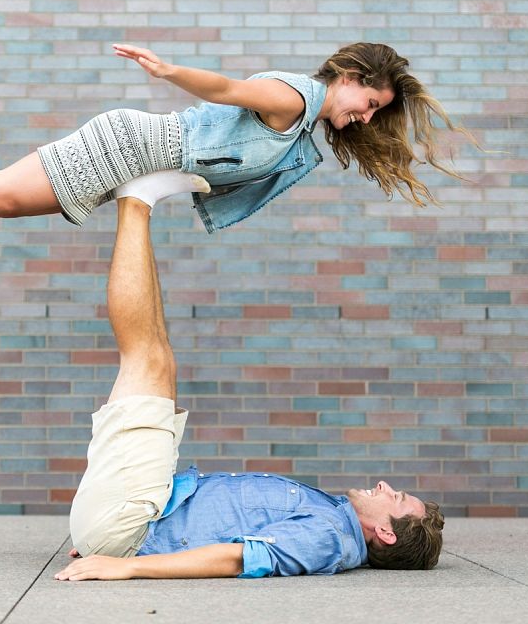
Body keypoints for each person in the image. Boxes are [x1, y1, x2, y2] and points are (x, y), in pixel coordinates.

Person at [0, 42, 471, 286]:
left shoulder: (306, 133)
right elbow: (226, 89)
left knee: (1, 197)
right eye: (368, 103)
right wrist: (172, 71)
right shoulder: (296, 96)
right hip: (131, 146)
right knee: (0, 195)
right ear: (350, 75)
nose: (364, 117)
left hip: (138, 158)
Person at [53, 177, 444, 581]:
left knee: (147, 359)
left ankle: (136, 196)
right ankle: (139, 199)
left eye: (394, 496)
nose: (384, 485)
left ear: (385, 532)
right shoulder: (333, 516)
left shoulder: (326, 538)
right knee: (161, 359)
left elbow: (237, 559)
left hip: (132, 524)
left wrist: (125, 565)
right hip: (142, 509)